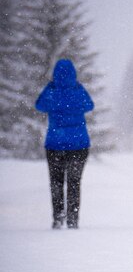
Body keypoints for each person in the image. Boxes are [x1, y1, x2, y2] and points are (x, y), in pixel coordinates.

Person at [35, 59, 94, 229]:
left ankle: (58, 217)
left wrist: (51, 86)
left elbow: (39, 105)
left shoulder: (51, 91)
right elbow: (89, 105)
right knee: (74, 182)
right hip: (79, 145)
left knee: (56, 182)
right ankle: (73, 218)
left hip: (55, 144)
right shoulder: (77, 89)